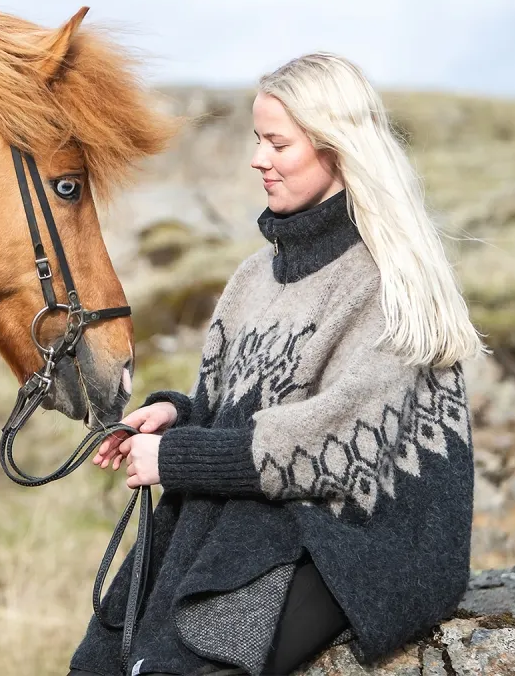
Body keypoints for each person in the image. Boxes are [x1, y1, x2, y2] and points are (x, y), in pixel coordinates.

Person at [67, 53, 481, 676]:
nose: (258, 158)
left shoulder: (386, 281)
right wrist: (172, 416)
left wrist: (176, 459)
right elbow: (226, 408)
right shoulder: (252, 278)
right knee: (107, 654)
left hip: (362, 536)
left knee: (192, 656)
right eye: (257, 139)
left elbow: (336, 446)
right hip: (273, 506)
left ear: (336, 148)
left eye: (278, 143)